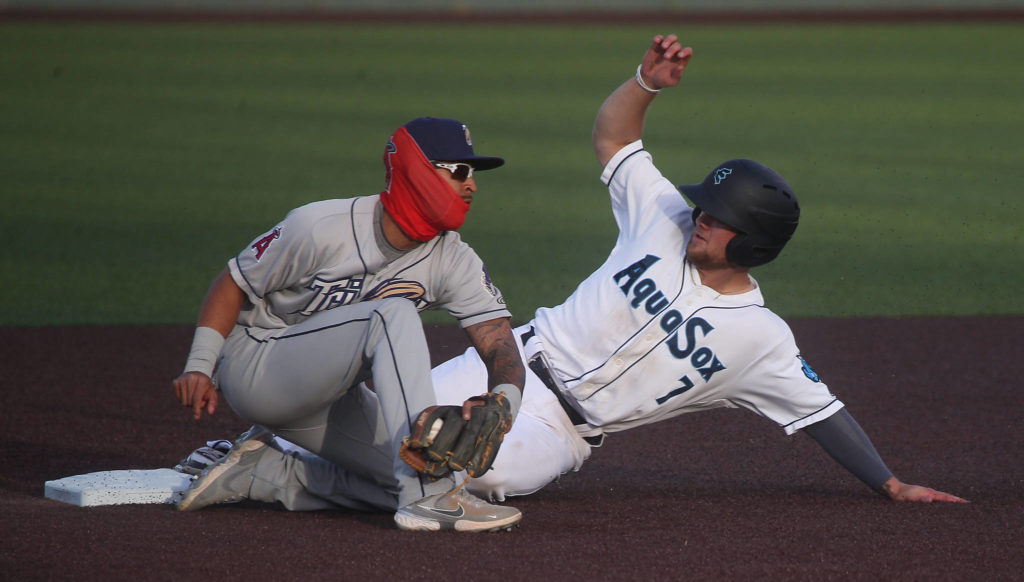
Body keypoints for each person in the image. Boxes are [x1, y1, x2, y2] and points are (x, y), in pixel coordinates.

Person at [174, 35, 965, 508]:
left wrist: (889, 485)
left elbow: (822, 412)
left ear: (749, 246)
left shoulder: (761, 339)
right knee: (384, 423)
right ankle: (277, 448)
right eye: (703, 206)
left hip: (559, 431)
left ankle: (280, 475)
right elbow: (613, 137)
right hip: (511, 360)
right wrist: (648, 83)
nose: (699, 217)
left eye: (716, 219)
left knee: (461, 479)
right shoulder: (664, 216)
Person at [171, 116, 528, 532]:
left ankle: (269, 475)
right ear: (418, 170)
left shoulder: (454, 260)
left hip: (331, 401)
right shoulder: (320, 227)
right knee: (390, 313)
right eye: (461, 172)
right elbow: (234, 281)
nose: (473, 186)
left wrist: (503, 404)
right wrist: (200, 364)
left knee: (434, 474)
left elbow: (500, 344)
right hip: (260, 368)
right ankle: (428, 496)